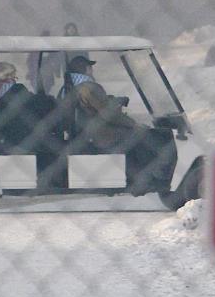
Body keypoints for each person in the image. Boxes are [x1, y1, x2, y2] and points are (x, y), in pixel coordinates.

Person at [63, 55, 176, 194]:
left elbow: (98, 105)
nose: (91, 69)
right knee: (142, 134)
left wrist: (115, 101)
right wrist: (133, 124)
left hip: (92, 130)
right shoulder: (89, 87)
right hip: (102, 133)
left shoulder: (75, 86)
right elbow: (107, 113)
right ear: (85, 69)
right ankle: (149, 178)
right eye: (89, 67)